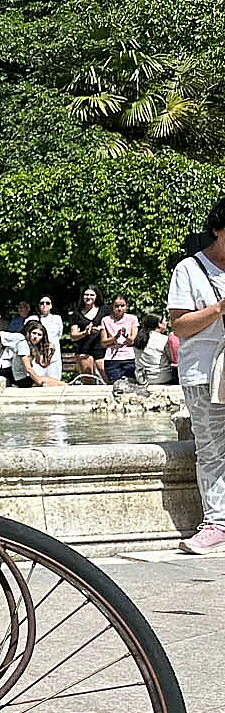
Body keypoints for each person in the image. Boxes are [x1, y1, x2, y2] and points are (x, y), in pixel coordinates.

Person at [169, 199, 225, 554]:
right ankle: (217, 522)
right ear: (218, 230)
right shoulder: (189, 269)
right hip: (204, 370)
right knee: (211, 447)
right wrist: (219, 308)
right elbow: (179, 325)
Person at [0, 322, 63, 387]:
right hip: (9, 372)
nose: (35, 336)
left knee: (49, 380)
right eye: (34, 333)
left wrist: (51, 352)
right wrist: (38, 381)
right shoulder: (23, 343)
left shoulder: (33, 347)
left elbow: (43, 364)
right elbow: (28, 369)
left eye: (39, 335)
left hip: (18, 374)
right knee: (44, 380)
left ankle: (65, 385)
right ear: (29, 333)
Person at [68, 286, 107, 381]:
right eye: (86, 295)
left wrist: (101, 329)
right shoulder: (76, 314)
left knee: (106, 375)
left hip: (101, 347)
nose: (89, 297)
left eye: (92, 295)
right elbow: (73, 336)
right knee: (87, 378)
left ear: (96, 296)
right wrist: (85, 333)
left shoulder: (104, 310)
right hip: (84, 348)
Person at [101, 295, 140, 384]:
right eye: (117, 306)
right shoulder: (105, 320)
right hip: (111, 359)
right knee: (115, 385)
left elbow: (132, 340)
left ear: (126, 306)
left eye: (122, 306)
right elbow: (103, 342)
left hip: (129, 357)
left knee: (131, 384)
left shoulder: (132, 319)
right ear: (112, 307)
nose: (119, 309)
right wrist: (115, 338)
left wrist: (125, 336)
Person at [136, 314, 176, 386]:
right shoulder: (164, 339)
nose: (166, 323)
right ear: (159, 324)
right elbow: (172, 358)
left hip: (142, 379)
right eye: (165, 320)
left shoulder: (138, 339)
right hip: (162, 377)